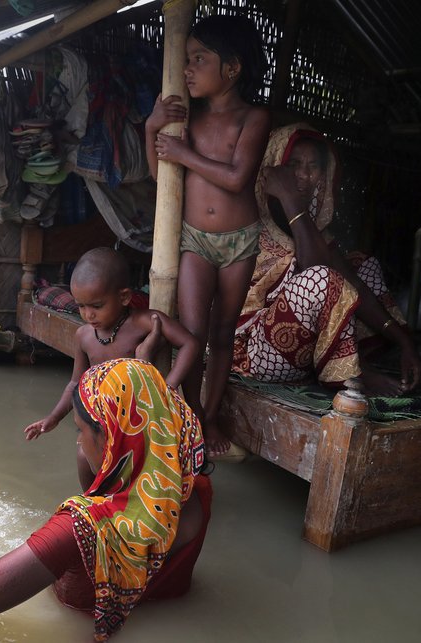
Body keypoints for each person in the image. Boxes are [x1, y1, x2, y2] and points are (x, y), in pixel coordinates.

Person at [0, 358, 211, 641]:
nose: (78, 445)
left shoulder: (79, 528)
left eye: (80, 431)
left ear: (114, 440)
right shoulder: (193, 486)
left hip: (74, 618)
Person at [145, 14, 272, 457]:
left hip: (240, 240)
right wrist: (152, 129)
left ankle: (209, 417)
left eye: (199, 58)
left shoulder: (254, 118)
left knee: (222, 334)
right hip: (195, 239)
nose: (188, 68)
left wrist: (183, 152)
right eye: (187, 58)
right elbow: (158, 177)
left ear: (232, 68)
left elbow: (238, 178)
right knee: (193, 333)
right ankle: (187, 411)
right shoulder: (186, 118)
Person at [232, 122, 421, 395]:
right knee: (321, 279)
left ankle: (342, 361)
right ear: (273, 167)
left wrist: (405, 343)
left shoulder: (314, 230)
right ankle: (351, 373)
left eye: (313, 166)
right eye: (293, 164)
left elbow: (352, 282)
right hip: (256, 353)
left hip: (302, 350)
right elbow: (317, 272)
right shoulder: (249, 217)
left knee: (363, 266)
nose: (303, 175)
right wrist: (288, 197)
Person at [23, 246, 200, 441]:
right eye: (81, 306)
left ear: (124, 297)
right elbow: (75, 382)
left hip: (140, 418)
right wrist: (53, 418)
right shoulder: (84, 336)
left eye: (97, 306)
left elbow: (189, 344)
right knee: (84, 457)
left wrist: (169, 388)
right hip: (102, 420)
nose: (88, 314)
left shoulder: (144, 322)